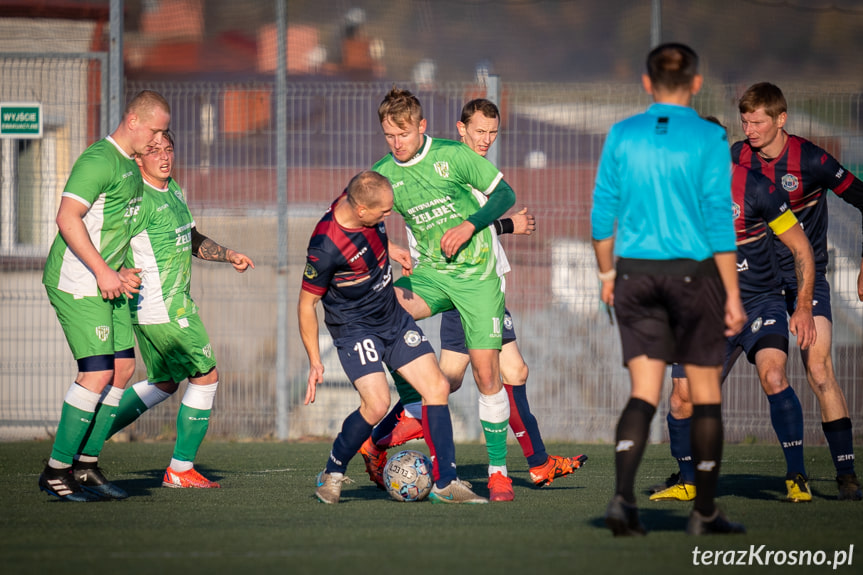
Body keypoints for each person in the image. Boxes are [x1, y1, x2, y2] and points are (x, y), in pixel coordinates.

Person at [359, 98, 586, 491]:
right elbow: (447, 222)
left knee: (497, 373)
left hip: (484, 281)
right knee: (459, 380)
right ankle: (382, 437)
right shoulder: (447, 161)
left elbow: (469, 220)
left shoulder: (464, 163)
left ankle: (535, 463)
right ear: (461, 129)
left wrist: (493, 226)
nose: (486, 139)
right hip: (449, 279)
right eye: (479, 131)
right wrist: (506, 226)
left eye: (492, 133)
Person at [591, 43, 746, 536]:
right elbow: (720, 219)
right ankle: (704, 513)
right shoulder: (707, 137)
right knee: (704, 397)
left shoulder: (621, 133)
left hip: (634, 275)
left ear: (646, 82)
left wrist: (607, 276)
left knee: (643, 394)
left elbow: (601, 216)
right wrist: (734, 294)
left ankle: (621, 500)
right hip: (692, 277)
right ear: (696, 84)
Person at [649, 118, 817, 504]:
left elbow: (801, 249)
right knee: (681, 399)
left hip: (760, 301)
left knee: (773, 375)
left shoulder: (757, 188)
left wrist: (803, 305)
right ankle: (689, 480)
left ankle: (796, 476)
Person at [299, 170, 486, 505]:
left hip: (392, 318)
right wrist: (315, 360)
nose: (389, 216)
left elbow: (372, 232)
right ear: (360, 211)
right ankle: (333, 471)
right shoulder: (325, 246)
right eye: (383, 213)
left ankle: (446, 483)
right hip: (355, 328)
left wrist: (393, 247)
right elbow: (306, 304)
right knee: (377, 404)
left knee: (438, 387)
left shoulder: (361, 199)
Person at [372, 87, 518, 501]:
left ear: (421, 127)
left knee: (489, 376)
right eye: (389, 136)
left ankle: (498, 473)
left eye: (403, 134)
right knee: (381, 309)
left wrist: (471, 225)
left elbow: (506, 195)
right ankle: (413, 402)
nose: (396, 144)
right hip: (432, 274)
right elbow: (358, 217)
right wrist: (388, 248)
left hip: (477, 278)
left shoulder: (453, 156)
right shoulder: (385, 173)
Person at [100, 131, 254, 489]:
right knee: (206, 376)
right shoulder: (135, 199)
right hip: (163, 308)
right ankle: (180, 469)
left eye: (168, 149)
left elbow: (192, 237)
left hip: (172, 306)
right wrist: (114, 273)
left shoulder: (174, 190)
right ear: (137, 158)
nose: (164, 157)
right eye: (153, 151)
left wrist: (227, 254)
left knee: (165, 382)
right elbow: (105, 240)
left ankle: (88, 439)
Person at [731, 82, 863, 501]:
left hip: (807, 278)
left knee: (820, 369)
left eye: (757, 122)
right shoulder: (738, 157)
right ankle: (793, 474)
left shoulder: (811, 160)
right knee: (763, 374)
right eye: (745, 121)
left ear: (780, 119)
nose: (749, 129)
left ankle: (846, 475)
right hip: (758, 285)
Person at [39, 90, 171, 501]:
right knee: (96, 374)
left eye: (164, 132)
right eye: (155, 130)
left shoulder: (130, 167)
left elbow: (113, 225)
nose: (158, 140)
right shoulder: (99, 159)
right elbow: (66, 217)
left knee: (123, 370)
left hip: (108, 281)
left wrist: (120, 268)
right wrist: (101, 269)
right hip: (78, 281)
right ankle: (56, 470)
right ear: (133, 120)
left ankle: (87, 465)